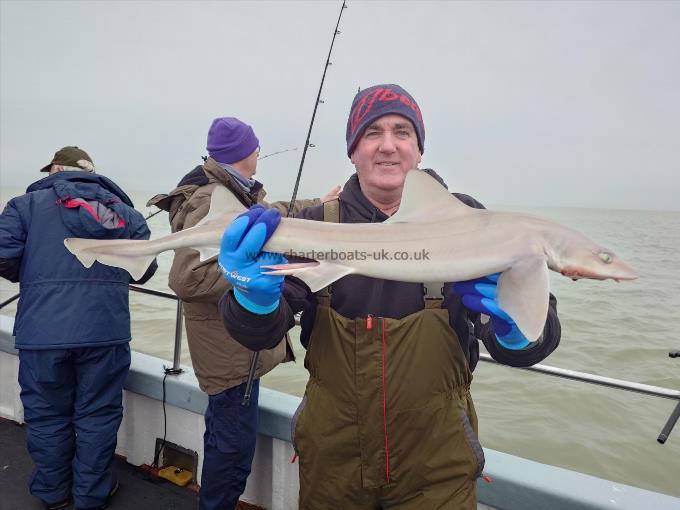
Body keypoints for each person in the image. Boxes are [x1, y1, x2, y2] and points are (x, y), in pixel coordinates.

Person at [217, 84, 562, 509]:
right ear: (353, 150)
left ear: (419, 149)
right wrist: (252, 300)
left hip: (437, 465)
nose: (388, 146)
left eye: (402, 132)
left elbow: (531, 345)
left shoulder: (473, 220)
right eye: (371, 133)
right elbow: (259, 334)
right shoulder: (313, 225)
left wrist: (514, 329)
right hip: (333, 459)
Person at [147, 117, 338, 510]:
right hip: (229, 351)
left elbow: (271, 212)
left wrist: (319, 205)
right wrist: (254, 273)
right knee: (231, 450)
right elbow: (187, 279)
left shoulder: (233, 191)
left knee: (232, 441)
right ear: (247, 154)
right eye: (256, 147)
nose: (258, 153)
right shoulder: (209, 199)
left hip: (235, 345)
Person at [0, 146, 156, 510]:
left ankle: (53, 494)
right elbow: (145, 269)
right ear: (90, 172)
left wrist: (36, 277)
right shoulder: (126, 215)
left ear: (56, 169)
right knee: (98, 413)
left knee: (46, 413)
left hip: (43, 331)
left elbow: (3, 257)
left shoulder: (23, 207)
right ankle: (90, 496)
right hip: (105, 331)